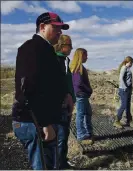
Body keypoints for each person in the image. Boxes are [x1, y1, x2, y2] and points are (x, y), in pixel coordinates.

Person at [11, 12, 70, 170]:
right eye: (56, 28)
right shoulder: (32, 48)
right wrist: (44, 123)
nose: (60, 32)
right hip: (33, 121)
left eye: (61, 29)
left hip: (38, 120)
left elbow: (48, 83)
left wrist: (65, 94)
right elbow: (29, 89)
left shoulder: (45, 49)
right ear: (42, 27)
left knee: (49, 164)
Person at [53, 34, 76, 169]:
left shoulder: (65, 60)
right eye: (70, 46)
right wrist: (66, 99)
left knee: (64, 134)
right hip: (60, 105)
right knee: (60, 136)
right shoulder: (55, 60)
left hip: (66, 105)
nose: (71, 48)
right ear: (62, 46)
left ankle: (62, 161)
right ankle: (58, 165)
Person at [70, 48, 94, 144]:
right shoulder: (77, 68)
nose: (87, 57)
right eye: (85, 55)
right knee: (80, 115)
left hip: (82, 94)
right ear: (81, 56)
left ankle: (88, 132)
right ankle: (81, 135)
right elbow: (78, 83)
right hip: (81, 95)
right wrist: (88, 89)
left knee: (87, 113)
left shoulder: (80, 67)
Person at [113, 56, 133, 129]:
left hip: (128, 89)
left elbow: (128, 79)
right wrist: (125, 87)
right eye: (131, 63)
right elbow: (121, 79)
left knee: (128, 106)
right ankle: (117, 121)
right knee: (124, 105)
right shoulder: (124, 68)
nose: (131, 64)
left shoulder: (128, 68)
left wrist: (130, 88)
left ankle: (129, 120)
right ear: (128, 62)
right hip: (124, 90)